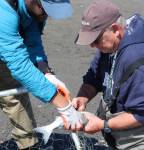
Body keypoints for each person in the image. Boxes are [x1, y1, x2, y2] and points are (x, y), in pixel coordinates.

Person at [0, 0, 83, 149]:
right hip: (7, 45)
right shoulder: (4, 10)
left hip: (7, 49)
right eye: (44, 8)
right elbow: (19, 65)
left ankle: (28, 144)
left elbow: (33, 41)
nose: (45, 15)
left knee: (16, 97)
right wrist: (62, 104)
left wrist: (46, 73)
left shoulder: (35, 11)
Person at [71, 0, 144, 149]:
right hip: (117, 131)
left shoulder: (139, 61)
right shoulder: (109, 47)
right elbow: (94, 76)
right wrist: (83, 97)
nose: (92, 45)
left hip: (141, 136)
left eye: (95, 39)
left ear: (115, 29)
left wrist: (103, 124)